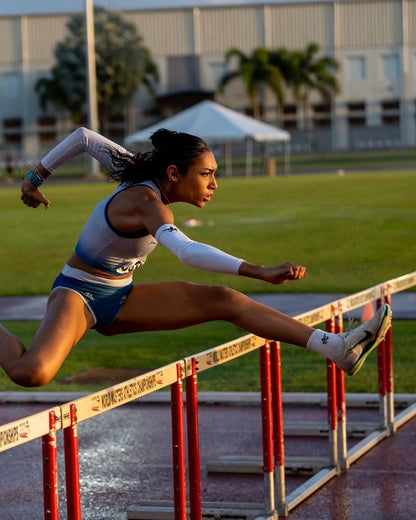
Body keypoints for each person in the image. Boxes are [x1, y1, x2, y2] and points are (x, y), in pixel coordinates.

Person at [0, 127, 391, 388]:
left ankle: (335, 347)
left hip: (121, 296)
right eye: (206, 174)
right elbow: (186, 252)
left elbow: (85, 138)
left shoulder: (142, 173)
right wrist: (258, 270)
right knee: (31, 372)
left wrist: (35, 179)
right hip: (79, 295)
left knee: (222, 300)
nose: (214, 184)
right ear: (174, 172)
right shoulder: (148, 203)